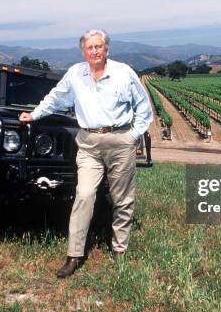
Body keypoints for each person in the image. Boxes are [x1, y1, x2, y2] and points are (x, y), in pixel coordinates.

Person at [19, 29, 153, 278]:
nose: (94, 51)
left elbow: (144, 107)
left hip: (119, 140)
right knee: (84, 194)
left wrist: (132, 136)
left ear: (106, 49)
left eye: (98, 46)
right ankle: (74, 255)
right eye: (90, 47)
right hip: (88, 143)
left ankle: (119, 250)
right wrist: (34, 114)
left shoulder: (123, 73)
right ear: (83, 51)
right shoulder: (75, 73)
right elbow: (56, 97)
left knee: (121, 198)